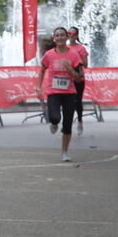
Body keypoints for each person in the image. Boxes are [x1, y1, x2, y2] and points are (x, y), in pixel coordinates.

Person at [38, 27, 84, 162]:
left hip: (69, 92)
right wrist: (38, 88)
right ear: (54, 38)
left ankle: (64, 152)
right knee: (55, 117)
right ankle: (53, 123)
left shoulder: (74, 55)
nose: (60, 37)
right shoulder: (49, 55)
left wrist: (69, 68)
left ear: (67, 37)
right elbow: (41, 71)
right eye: (57, 35)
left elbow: (78, 78)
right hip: (53, 92)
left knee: (68, 124)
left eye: (62, 35)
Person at [67, 26, 89, 134]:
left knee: (77, 100)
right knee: (66, 100)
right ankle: (67, 122)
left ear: (77, 35)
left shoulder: (81, 48)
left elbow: (86, 65)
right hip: (66, 77)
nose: (71, 35)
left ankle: (80, 120)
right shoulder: (64, 47)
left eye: (73, 33)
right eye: (69, 33)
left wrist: (77, 60)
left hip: (78, 76)